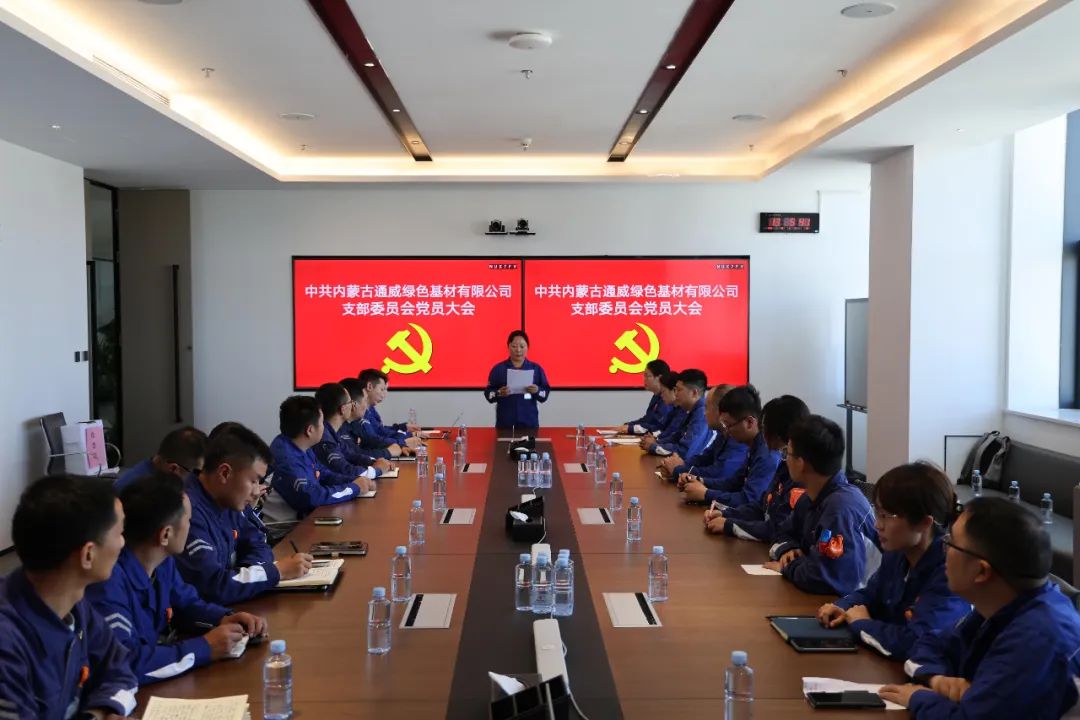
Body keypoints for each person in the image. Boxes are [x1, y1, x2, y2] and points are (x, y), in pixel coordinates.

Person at [880, 498, 1080, 718]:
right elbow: (931, 643)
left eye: (950, 543)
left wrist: (918, 697)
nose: (943, 552)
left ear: (982, 572)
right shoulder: (1002, 604)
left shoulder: (1037, 639)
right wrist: (937, 678)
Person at [87, 473, 268, 685]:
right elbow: (126, 663)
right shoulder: (108, 583)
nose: (190, 528)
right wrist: (205, 647)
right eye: (188, 521)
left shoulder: (163, 562)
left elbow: (187, 605)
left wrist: (224, 618)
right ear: (165, 535)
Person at [0, 475, 138, 719]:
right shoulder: (7, 643)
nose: (122, 543)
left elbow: (120, 671)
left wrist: (98, 713)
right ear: (88, 554)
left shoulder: (75, 606)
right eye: (119, 533)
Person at [815, 463, 969, 659]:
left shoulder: (950, 573)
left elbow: (917, 642)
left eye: (887, 516)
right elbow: (871, 594)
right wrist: (842, 606)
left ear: (924, 523)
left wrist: (863, 624)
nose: (877, 525)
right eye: (877, 513)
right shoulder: (898, 553)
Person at [176, 427, 312, 605]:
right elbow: (215, 586)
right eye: (253, 481)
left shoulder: (226, 498)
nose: (256, 492)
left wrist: (247, 575)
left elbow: (258, 543)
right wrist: (276, 572)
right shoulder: (187, 510)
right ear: (225, 473)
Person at [764, 415, 880, 596]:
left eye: (788, 453)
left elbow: (828, 578)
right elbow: (782, 531)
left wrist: (788, 567)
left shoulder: (840, 509)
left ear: (801, 464)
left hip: (858, 603)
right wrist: (788, 549)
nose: (785, 459)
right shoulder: (810, 498)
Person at [703, 395, 810, 542]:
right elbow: (762, 507)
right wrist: (726, 514)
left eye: (764, 427)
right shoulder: (784, 462)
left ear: (779, 434)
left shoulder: (796, 472)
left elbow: (778, 528)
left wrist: (730, 525)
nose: (761, 432)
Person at [267, 396, 375, 520]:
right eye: (322, 423)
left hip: (305, 520)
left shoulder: (302, 446)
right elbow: (312, 498)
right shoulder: (287, 459)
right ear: (310, 430)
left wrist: (356, 480)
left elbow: (324, 474)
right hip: (288, 528)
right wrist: (353, 488)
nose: (324, 427)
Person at [681, 385, 781, 507]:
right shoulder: (754, 445)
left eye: (728, 425)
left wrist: (706, 494)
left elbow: (749, 500)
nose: (726, 431)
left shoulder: (767, 454)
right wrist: (699, 480)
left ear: (749, 422)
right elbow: (733, 483)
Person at [661, 384, 745, 484]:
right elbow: (704, 458)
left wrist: (678, 469)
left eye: (707, 407)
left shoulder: (737, 437)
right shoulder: (723, 433)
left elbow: (719, 473)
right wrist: (682, 465)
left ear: (720, 411)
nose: (704, 413)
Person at [313, 382, 392, 481]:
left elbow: (351, 455)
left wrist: (375, 462)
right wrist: (377, 470)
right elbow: (345, 470)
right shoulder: (325, 439)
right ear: (342, 409)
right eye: (350, 402)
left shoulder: (333, 432)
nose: (353, 405)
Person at [484, 330, 551, 430]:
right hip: (505, 424)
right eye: (514, 346)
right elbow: (488, 394)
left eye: (522, 346)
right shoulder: (498, 369)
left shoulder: (536, 369)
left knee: (530, 441)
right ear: (508, 346)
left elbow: (545, 394)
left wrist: (537, 390)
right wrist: (498, 393)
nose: (518, 350)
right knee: (503, 441)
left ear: (527, 347)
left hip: (529, 424)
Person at [640, 369, 711, 458]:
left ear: (694, 393)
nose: (675, 394)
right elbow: (676, 437)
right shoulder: (691, 410)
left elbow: (684, 451)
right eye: (675, 389)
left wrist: (653, 447)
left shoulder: (702, 414)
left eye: (679, 390)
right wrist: (657, 442)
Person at [114, 426, 207, 493]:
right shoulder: (137, 495)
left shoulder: (157, 479)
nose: (200, 478)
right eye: (196, 472)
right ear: (173, 469)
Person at [357, 369, 421, 454]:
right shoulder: (360, 412)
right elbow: (373, 440)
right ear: (369, 386)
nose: (384, 395)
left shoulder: (370, 409)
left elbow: (380, 430)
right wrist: (403, 441)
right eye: (382, 389)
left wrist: (405, 432)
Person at [617, 359, 671, 435]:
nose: (644, 379)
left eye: (647, 376)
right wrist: (629, 425)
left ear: (659, 378)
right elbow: (648, 419)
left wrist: (631, 428)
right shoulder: (656, 396)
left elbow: (659, 426)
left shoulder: (667, 399)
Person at [640, 372, 683, 451]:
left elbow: (676, 440)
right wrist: (655, 438)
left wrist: (656, 441)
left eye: (663, 392)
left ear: (674, 391)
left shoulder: (684, 412)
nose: (661, 395)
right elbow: (663, 428)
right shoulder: (675, 410)